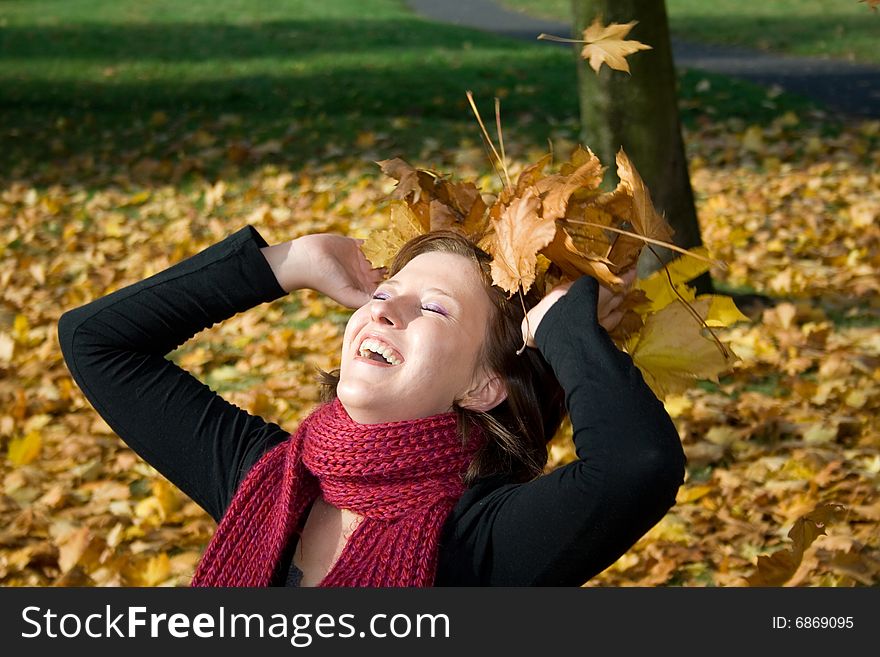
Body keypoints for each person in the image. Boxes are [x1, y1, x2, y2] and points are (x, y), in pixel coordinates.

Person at [58, 223, 686, 587]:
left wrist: (562, 326)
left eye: (434, 307)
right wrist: (285, 262)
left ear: (482, 386)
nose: (385, 308)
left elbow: (637, 465)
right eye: (386, 291)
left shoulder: (484, 541)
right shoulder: (271, 482)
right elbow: (95, 341)